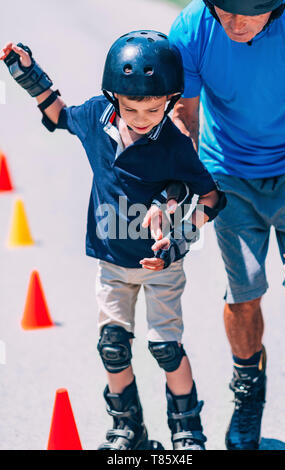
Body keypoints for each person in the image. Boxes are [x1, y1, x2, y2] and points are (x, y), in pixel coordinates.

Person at [0, 32, 226, 450]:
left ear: (172, 99)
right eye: (131, 107)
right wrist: (27, 75)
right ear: (112, 97)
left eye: (155, 108)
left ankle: (186, 431)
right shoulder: (95, 120)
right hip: (112, 263)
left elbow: (212, 197)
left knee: (165, 349)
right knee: (113, 347)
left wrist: (179, 240)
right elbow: (59, 114)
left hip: (162, 267)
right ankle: (128, 429)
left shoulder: (174, 145)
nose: (142, 118)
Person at [169, 0, 285, 450]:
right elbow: (185, 116)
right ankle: (248, 395)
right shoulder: (192, 28)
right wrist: (185, 187)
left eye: (249, 13)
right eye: (225, 9)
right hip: (229, 174)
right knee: (244, 294)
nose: (235, 23)